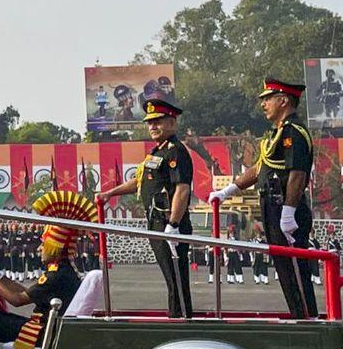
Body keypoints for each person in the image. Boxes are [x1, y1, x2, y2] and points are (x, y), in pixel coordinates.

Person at [210, 79, 318, 319]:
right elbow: (260, 168)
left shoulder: (293, 132)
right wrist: (228, 190)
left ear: (283, 100)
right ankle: (299, 316)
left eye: (268, 99)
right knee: (284, 268)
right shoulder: (275, 133)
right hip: (272, 207)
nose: (263, 104)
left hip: (285, 208)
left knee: (296, 271)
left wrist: (289, 212)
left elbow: (298, 173)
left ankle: (308, 321)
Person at [97, 98, 194, 317]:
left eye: (158, 121)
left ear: (172, 122)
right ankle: (178, 317)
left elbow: (182, 189)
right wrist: (110, 193)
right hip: (156, 223)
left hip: (169, 224)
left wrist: (174, 225)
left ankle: (181, 320)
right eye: (150, 122)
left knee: (176, 278)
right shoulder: (156, 153)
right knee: (171, 277)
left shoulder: (175, 151)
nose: (152, 126)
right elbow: (139, 182)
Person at [0, 194, 85, 349]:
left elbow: (17, 300)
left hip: (41, 332)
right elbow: (26, 292)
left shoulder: (56, 275)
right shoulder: (62, 271)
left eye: (44, 244)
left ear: (54, 248)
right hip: (45, 328)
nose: (39, 248)